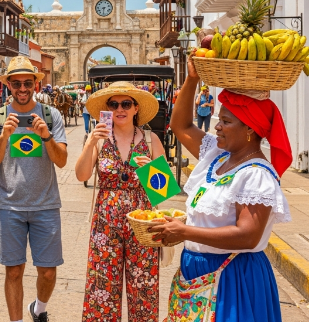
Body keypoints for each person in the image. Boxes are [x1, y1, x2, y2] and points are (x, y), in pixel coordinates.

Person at [149, 58, 291, 322]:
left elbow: (247, 236)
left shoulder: (256, 175)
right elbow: (181, 126)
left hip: (233, 279)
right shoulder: (217, 155)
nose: (217, 126)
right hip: (196, 274)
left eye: (225, 121)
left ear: (250, 129)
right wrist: (192, 79)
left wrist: (184, 231)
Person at [0, 56, 68, 322]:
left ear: (35, 84)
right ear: (8, 85)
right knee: (13, 271)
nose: (22, 88)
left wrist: (46, 136)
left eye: (28, 83)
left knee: (48, 272)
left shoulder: (51, 115)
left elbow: (62, 161)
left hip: (46, 205)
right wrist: (4, 137)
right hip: (9, 206)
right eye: (17, 83)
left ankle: (39, 308)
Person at [74, 81, 166, 321]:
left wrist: (152, 171)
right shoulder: (100, 139)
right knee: (102, 290)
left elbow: (163, 191)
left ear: (136, 108)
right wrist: (90, 142)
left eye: (126, 103)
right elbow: (82, 175)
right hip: (105, 224)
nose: (120, 109)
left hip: (142, 224)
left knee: (143, 290)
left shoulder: (151, 140)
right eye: (113, 104)